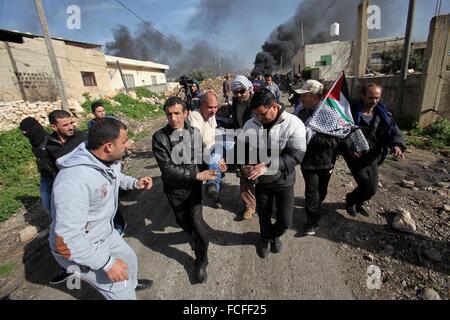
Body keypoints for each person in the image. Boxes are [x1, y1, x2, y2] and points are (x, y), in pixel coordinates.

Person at [49, 118, 154, 300]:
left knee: (129, 258)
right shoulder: (74, 182)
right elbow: (66, 241)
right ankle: (123, 291)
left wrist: (135, 183)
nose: (128, 145)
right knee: (120, 289)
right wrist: (106, 263)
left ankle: (131, 284)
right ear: (108, 147)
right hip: (81, 247)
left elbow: (115, 177)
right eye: (124, 141)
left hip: (103, 232)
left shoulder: (102, 161)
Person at [152, 97, 218, 284]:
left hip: (193, 190)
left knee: (198, 225)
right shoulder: (160, 138)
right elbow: (167, 169)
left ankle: (201, 261)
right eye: (169, 114)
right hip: (174, 190)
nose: (173, 118)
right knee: (183, 222)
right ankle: (193, 237)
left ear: (186, 113)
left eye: (177, 113)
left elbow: (200, 157)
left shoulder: (195, 133)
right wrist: (196, 176)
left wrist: (213, 162)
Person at [241, 89, 306, 258]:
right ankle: (265, 238)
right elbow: (243, 150)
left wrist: (268, 165)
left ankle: (275, 235)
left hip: (284, 181)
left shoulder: (294, 123)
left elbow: (297, 155)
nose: (258, 118)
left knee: (285, 221)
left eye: (261, 114)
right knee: (263, 215)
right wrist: (244, 165)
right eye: (255, 114)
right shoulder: (250, 124)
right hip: (262, 183)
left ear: (274, 106)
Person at [343, 83, 406, 216]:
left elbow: (393, 130)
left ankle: (357, 201)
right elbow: (341, 131)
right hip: (355, 156)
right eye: (371, 97)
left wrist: (397, 145)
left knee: (372, 188)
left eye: (377, 97)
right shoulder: (350, 112)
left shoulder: (383, 114)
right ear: (363, 96)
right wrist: (348, 146)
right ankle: (351, 201)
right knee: (367, 186)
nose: (374, 101)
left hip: (373, 156)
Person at [296, 80, 344, 236]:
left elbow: (334, 140)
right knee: (311, 192)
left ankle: (315, 206)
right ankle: (312, 222)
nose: (301, 99)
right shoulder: (301, 113)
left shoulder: (330, 114)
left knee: (321, 191)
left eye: (305, 95)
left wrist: (310, 135)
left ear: (315, 96)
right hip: (308, 162)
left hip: (325, 161)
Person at [188, 91, 228, 209]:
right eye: (210, 107)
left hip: (212, 148)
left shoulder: (212, 115)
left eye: (215, 107)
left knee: (219, 158)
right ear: (201, 105)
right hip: (199, 152)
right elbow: (199, 138)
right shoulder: (195, 116)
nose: (214, 110)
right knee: (215, 160)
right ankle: (212, 187)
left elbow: (214, 133)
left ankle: (214, 190)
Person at [230, 75, 257, 220]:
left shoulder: (258, 100)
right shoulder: (234, 103)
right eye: (236, 92)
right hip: (242, 142)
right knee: (245, 176)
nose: (239, 95)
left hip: (260, 142)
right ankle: (249, 205)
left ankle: (266, 202)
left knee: (263, 174)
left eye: (242, 91)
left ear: (249, 89)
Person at [19, 117, 56, 215]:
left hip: (57, 177)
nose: (25, 134)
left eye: (27, 131)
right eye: (23, 132)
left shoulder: (50, 140)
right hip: (45, 177)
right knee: (47, 204)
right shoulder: (34, 142)